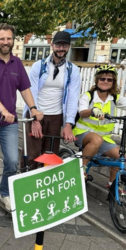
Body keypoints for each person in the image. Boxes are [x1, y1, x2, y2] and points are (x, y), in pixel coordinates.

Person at [0, 23, 43, 212]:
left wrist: (34, 108)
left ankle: (5, 192)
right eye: (2, 38)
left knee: (13, 160)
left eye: (9, 38)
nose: (6, 42)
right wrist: (4, 110)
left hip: (9, 123)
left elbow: (25, 89)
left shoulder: (17, 63)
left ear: (13, 40)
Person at [73, 65, 126, 188]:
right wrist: (93, 110)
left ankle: (112, 184)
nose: (105, 81)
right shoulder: (88, 96)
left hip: (104, 138)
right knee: (96, 139)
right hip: (82, 133)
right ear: (97, 80)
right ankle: (82, 169)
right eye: (102, 79)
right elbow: (82, 112)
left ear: (113, 82)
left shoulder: (114, 98)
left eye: (109, 79)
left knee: (120, 157)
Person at [23, 31, 81, 170]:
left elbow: (73, 97)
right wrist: (35, 118)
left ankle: (46, 188)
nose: (61, 48)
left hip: (56, 116)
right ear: (52, 45)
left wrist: (68, 124)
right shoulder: (39, 66)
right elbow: (31, 91)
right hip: (36, 113)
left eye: (64, 45)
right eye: (58, 45)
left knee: (50, 156)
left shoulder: (73, 70)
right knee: (32, 155)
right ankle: (27, 187)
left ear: (69, 47)